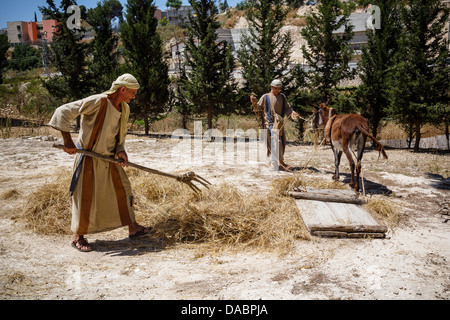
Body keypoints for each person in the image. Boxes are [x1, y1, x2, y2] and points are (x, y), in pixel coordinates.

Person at [49, 73, 152, 252]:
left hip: (109, 158)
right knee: (85, 197)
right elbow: (62, 111)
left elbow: (119, 133)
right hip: (88, 157)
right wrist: (67, 140)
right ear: (122, 89)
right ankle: (78, 237)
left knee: (123, 190)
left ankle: (133, 228)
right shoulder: (98, 101)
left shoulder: (124, 108)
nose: (133, 97)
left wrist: (121, 150)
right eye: (132, 93)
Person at [250, 79, 299, 171]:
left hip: (279, 124)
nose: (277, 90)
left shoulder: (283, 97)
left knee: (280, 143)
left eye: (279, 88)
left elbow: (288, 109)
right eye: (275, 88)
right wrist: (254, 103)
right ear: (271, 87)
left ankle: (274, 162)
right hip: (269, 124)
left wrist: (294, 113)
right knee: (277, 143)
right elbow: (257, 109)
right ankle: (280, 163)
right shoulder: (265, 97)